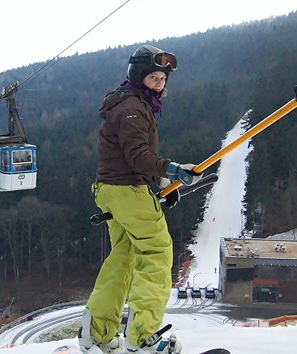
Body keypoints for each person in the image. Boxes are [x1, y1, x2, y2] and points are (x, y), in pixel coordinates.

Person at [78, 44, 203, 354]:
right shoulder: (133, 107)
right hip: (128, 191)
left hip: (111, 190)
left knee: (124, 257)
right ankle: (143, 336)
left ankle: (97, 333)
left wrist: (162, 182)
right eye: (153, 78)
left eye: (162, 80)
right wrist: (171, 170)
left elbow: (130, 157)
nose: (159, 85)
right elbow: (137, 156)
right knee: (157, 252)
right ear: (138, 77)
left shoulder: (126, 102)